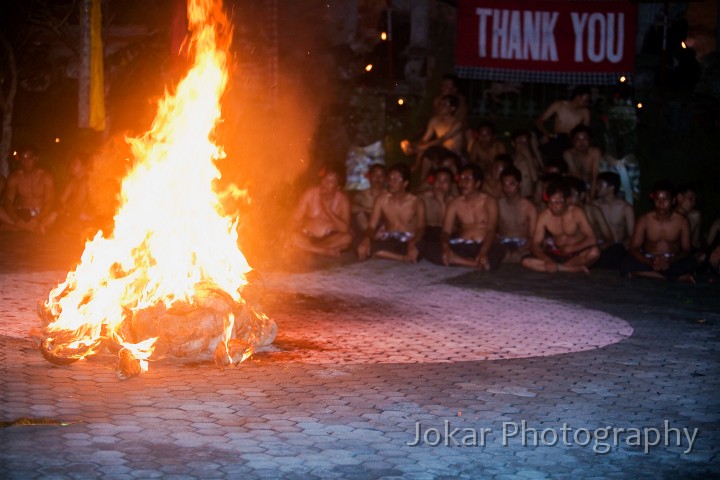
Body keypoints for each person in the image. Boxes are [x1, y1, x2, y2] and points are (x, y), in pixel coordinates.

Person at [425, 164, 505, 270]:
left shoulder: (490, 202)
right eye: (461, 178)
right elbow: (446, 232)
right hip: (463, 244)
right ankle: (474, 263)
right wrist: (445, 247)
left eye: (468, 179)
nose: (463, 183)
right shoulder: (455, 203)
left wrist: (483, 252)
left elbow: (491, 230)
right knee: (429, 249)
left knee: (498, 251)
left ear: (477, 183)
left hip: (484, 244)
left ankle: (457, 260)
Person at [620, 181, 697, 282]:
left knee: (691, 262)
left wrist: (669, 261)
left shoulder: (682, 221)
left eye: (665, 199)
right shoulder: (645, 220)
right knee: (626, 263)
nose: (661, 204)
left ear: (673, 201)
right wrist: (650, 262)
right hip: (649, 258)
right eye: (658, 199)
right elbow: (634, 247)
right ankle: (677, 278)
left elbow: (686, 249)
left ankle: (644, 274)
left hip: (672, 259)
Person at [521, 180, 600, 274]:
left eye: (558, 202)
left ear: (568, 200)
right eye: (550, 202)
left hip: (576, 254)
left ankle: (560, 268)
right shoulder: (544, 216)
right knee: (526, 261)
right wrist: (546, 260)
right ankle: (569, 269)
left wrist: (572, 248)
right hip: (556, 254)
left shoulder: (577, 212)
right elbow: (535, 244)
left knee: (594, 252)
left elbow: (592, 239)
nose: (553, 206)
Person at [357, 163, 425, 263]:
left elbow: (421, 227)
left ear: (405, 183)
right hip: (390, 238)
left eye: (397, 179)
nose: (391, 182)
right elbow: (371, 226)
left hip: (409, 239)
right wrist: (366, 240)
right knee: (360, 244)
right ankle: (401, 258)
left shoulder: (416, 201)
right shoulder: (381, 200)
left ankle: (394, 254)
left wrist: (412, 243)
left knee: (422, 247)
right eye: (390, 178)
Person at [289, 163, 352, 257]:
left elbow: (344, 229)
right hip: (307, 236)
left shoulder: (343, 201)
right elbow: (295, 218)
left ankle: (310, 250)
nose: (325, 183)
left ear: (338, 187)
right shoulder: (310, 194)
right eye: (324, 179)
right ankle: (322, 251)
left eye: (330, 182)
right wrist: (289, 231)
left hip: (329, 239)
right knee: (291, 237)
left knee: (347, 239)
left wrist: (328, 210)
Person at [566, 176, 625, 269]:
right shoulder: (563, 211)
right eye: (565, 195)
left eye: (571, 195)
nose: (568, 199)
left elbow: (609, 238)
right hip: (573, 250)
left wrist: (596, 248)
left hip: (595, 249)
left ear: (582, 195)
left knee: (616, 250)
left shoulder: (593, 211)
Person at [403, 95, 465, 176]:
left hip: (453, 153)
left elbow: (442, 139)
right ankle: (418, 169)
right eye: (441, 104)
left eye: (445, 104)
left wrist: (421, 147)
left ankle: (417, 169)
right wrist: (412, 145)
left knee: (429, 150)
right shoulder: (434, 120)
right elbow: (424, 140)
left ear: (452, 108)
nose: (441, 107)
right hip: (440, 151)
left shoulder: (457, 123)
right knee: (427, 151)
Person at [0, 147, 57, 234]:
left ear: (36, 159)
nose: (26, 162)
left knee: (55, 214)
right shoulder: (14, 177)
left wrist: (37, 218)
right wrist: (16, 219)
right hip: (20, 213)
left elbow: (50, 201)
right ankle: (25, 227)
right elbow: (8, 200)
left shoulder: (46, 177)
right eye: (23, 158)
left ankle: (16, 227)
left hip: (40, 213)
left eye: (29, 158)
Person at [535, 85, 591, 161]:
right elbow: (539, 121)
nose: (586, 103)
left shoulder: (585, 112)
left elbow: (585, 131)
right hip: (557, 138)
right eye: (585, 100)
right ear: (578, 97)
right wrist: (546, 134)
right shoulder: (559, 105)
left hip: (572, 140)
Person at [496, 166, 537, 263]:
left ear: (520, 184)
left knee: (529, 258)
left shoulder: (529, 208)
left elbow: (534, 237)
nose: (508, 188)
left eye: (512, 184)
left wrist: (519, 251)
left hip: (523, 245)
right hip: (503, 244)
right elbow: (491, 232)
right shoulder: (497, 205)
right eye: (505, 184)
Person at [594, 172, 635, 247]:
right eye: (597, 184)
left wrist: (621, 247)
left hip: (618, 245)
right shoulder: (594, 206)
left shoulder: (625, 208)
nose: (596, 187)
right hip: (599, 246)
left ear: (611, 187)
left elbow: (631, 235)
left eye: (600, 185)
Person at [562, 125, 601, 199]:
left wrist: (591, 196)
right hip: (576, 186)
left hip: (592, 185)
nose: (582, 142)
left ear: (590, 140)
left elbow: (594, 175)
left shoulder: (595, 152)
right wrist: (586, 196)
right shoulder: (568, 154)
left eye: (585, 138)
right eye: (578, 139)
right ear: (572, 141)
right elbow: (575, 174)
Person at [351, 163, 386, 236]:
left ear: (385, 178)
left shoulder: (388, 195)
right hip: (365, 225)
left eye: (381, 175)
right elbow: (352, 207)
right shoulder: (362, 194)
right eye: (375, 175)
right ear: (370, 176)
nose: (378, 178)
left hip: (382, 224)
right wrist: (368, 209)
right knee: (359, 214)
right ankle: (371, 236)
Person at [420, 167, 455, 239]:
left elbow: (450, 229)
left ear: (450, 185)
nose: (440, 184)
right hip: (426, 235)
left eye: (445, 181)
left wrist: (441, 202)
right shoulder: (423, 199)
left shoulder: (454, 202)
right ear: (433, 182)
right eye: (438, 180)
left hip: (447, 237)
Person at [510, 129, 543, 198]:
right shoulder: (510, 159)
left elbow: (535, 179)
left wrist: (528, 158)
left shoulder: (532, 160)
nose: (523, 145)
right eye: (520, 142)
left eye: (525, 142)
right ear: (513, 143)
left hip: (528, 196)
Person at [674, 184, 702, 251]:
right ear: (679, 197)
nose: (693, 203)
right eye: (691, 199)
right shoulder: (668, 217)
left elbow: (695, 242)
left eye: (694, 200)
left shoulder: (694, 217)